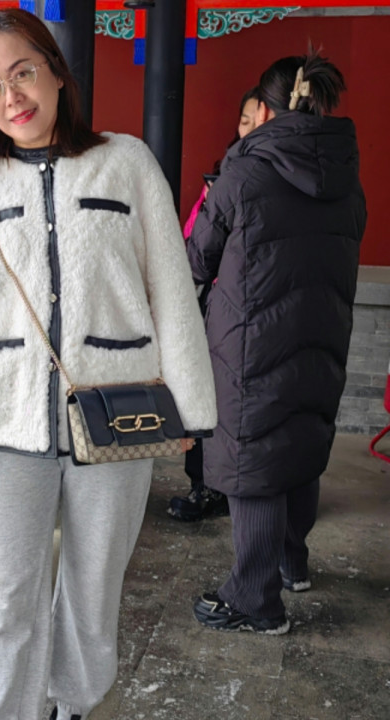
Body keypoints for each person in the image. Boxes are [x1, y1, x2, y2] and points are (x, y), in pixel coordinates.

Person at [0, 9, 216, 719]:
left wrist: (189, 412)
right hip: (9, 422)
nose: (12, 97)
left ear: (57, 72)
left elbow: (171, 290)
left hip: (119, 412)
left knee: (93, 591)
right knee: (7, 598)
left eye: (23, 72)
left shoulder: (126, 163)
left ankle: (74, 707)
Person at [187, 48, 366, 634]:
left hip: (251, 343)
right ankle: (293, 562)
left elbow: (197, 258)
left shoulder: (243, 173)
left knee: (254, 459)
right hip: (323, 336)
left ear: (265, 110)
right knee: (300, 446)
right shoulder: (347, 180)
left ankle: (254, 600)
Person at [167, 86, 260, 522]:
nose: (249, 130)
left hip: (256, 306)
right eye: (243, 121)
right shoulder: (224, 177)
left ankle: (235, 490)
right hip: (218, 306)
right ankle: (204, 485)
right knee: (207, 394)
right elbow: (195, 248)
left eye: (257, 121)